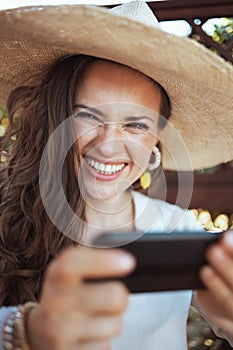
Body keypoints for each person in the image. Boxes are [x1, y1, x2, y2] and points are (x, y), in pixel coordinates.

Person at [0, 1, 233, 349]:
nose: (108, 147)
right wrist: (26, 332)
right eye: (89, 117)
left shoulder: (179, 229)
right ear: (55, 120)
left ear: (157, 138)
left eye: (135, 125)